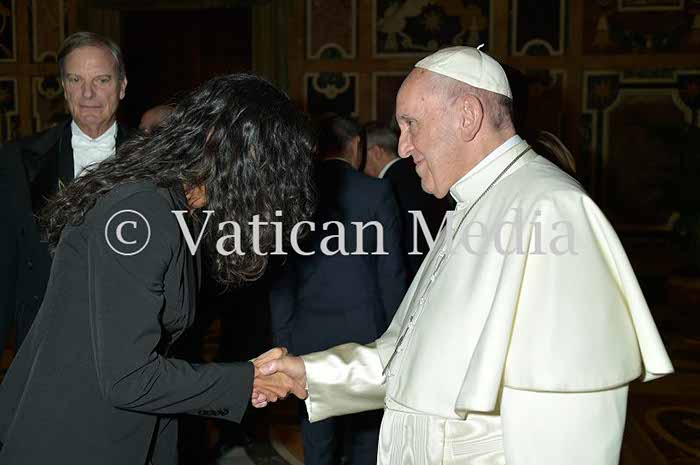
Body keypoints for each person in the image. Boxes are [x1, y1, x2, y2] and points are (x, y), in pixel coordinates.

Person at [252, 46, 674, 465]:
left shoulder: (551, 209)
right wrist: (311, 373)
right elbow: (409, 358)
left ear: (468, 116)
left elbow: (569, 426)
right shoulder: (471, 204)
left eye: (411, 124)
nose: (403, 147)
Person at [0, 74, 313, 465]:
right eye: (271, 170)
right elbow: (128, 378)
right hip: (75, 439)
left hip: (117, 434)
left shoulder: (172, 206)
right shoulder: (142, 211)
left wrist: (244, 380)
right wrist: (245, 380)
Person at [269, 115, 407, 465]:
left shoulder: (292, 194)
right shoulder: (375, 192)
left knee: (317, 444)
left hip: (307, 337)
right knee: (367, 442)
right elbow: (391, 274)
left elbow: (280, 280)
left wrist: (283, 340)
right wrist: (399, 339)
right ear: (357, 145)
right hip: (367, 337)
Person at [0, 32, 129, 350]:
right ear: (63, 87)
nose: (88, 93)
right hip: (46, 341)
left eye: (101, 80)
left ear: (122, 86)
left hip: (130, 338)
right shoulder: (19, 160)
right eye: (75, 80)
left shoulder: (155, 160)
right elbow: (6, 262)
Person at [363, 121, 449, 279]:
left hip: (410, 275)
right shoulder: (424, 172)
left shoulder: (383, 188)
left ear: (376, 152)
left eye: (363, 155)